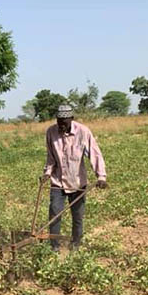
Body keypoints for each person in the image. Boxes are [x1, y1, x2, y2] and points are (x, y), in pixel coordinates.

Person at [42, 104, 108, 251]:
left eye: (64, 122)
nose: (61, 125)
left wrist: (101, 176)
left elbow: (95, 154)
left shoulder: (83, 132)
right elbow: (50, 157)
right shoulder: (51, 132)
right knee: (54, 213)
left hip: (77, 182)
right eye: (59, 121)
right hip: (58, 182)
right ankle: (54, 248)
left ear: (71, 119)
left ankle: (75, 245)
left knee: (77, 216)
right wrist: (47, 173)